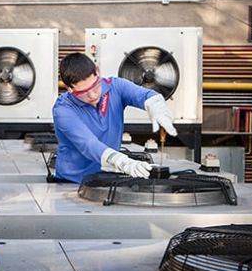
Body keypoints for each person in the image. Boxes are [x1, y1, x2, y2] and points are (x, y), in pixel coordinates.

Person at [52, 52, 177, 183]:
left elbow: (145, 95)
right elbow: (88, 144)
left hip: (107, 178)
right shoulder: (63, 109)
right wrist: (123, 162)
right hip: (71, 183)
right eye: (83, 93)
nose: (93, 95)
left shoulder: (115, 87)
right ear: (69, 88)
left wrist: (156, 105)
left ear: (97, 72)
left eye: (95, 87)